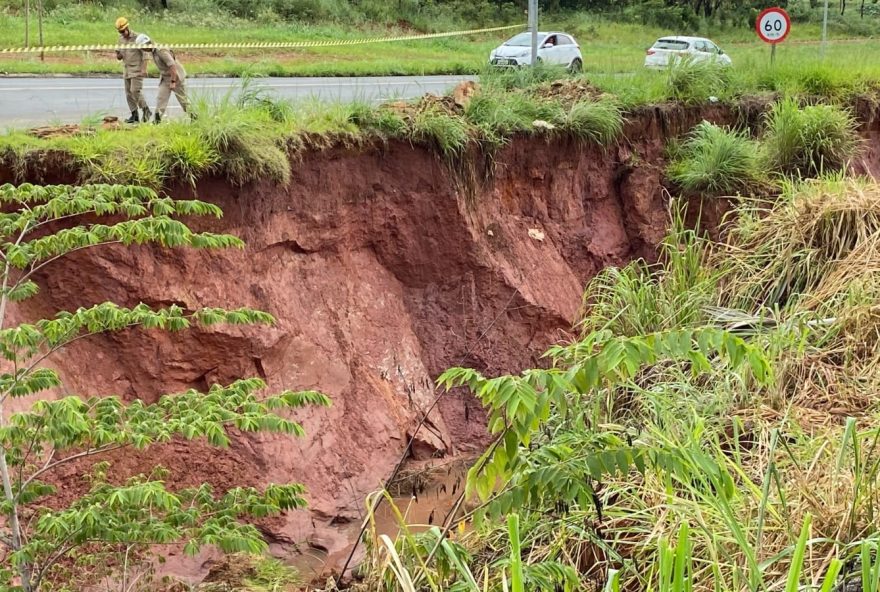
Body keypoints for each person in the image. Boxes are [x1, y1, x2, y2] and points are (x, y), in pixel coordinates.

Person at [135, 34, 188, 123]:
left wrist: (173, 81)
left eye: (142, 47)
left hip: (175, 77)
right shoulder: (153, 51)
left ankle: (194, 116)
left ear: (147, 44)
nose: (142, 49)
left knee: (183, 101)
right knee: (161, 99)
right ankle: (157, 121)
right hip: (165, 78)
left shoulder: (161, 51)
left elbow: (172, 65)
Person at [115, 17, 151, 124]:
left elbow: (146, 54)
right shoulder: (120, 39)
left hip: (137, 69)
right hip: (126, 69)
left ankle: (146, 110)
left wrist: (144, 69)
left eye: (123, 31)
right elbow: (119, 56)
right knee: (128, 93)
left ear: (127, 27)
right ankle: (134, 115)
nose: (122, 33)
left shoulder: (138, 38)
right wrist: (118, 54)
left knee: (135, 91)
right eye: (120, 32)